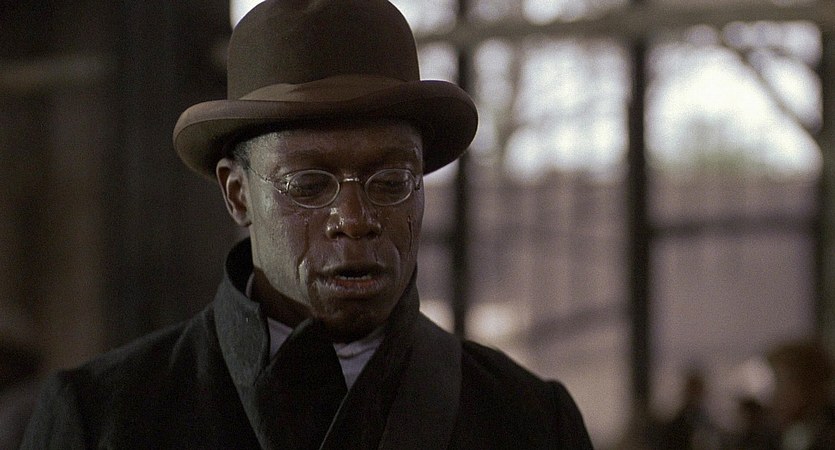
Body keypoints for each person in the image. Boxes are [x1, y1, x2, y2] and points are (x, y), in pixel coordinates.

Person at [20, 0, 592, 448]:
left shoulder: (529, 421)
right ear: (238, 195)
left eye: (391, 180)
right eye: (309, 185)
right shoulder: (106, 419)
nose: (355, 220)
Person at [767, 338, 835, 450]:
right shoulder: (797, 434)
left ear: (809, 385)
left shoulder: (828, 437)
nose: (775, 396)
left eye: (781, 383)